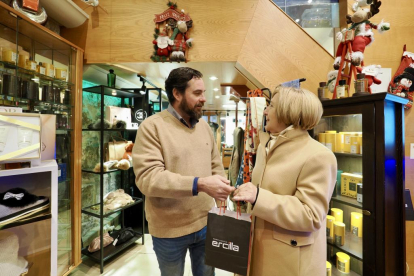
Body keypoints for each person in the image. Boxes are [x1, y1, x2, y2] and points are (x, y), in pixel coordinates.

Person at [132, 67, 235, 276]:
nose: (204, 99)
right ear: (177, 94)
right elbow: (148, 179)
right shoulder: (152, 127)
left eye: (204, 92)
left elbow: (216, 166)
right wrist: (200, 184)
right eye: (197, 93)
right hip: (169, 230)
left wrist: (223, 199)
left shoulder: (205, 127)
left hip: (206, 223)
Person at [233, 86, 337, 276]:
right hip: (258, 251)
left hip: (289, 263)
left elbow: (311, 215)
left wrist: (258, 197)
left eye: (270, 106)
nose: (265, 111)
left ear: (287, 112)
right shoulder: (266, 145)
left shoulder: (319, 156)